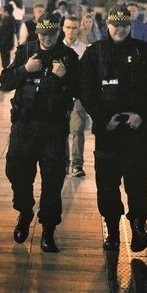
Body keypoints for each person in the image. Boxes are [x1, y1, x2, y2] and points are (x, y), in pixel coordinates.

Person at [80, 5, 147, 252]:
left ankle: (139, 226)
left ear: (131, 26)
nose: (120, 30)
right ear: (107, 25)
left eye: (124, 25)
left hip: (136, 132)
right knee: (107, 184)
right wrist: (103, 117)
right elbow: (86, 90)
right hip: (108, 133)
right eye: (115, 25)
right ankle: (112, 230)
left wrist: (143, 114)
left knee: (138, 181)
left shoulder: (144, 52)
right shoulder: (95, 53)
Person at [0, 13, 80, 253]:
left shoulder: (68, 57)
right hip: (24, 127)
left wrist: (65, 77)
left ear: (59, 33)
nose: (46, 39)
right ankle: (25, 212)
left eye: (51, 34)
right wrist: (25, 69)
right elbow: (5, 81)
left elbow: (81, 90)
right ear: (37, 33)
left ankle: (48, 229)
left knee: (53, 181)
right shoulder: (25, 52)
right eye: (42, 34)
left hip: (54, 129)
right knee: (16, 172)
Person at [62, 16, 89, 177]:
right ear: (63, 28)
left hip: (78, 96)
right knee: (62, 130)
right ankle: (64, 162)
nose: (71, 31)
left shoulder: (84, 49)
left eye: (74, 28)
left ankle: (77, 164)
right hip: (61, 95)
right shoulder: (58, 48)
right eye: (68, 27)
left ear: (78, 29)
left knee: (77, 130)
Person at [0, 4, 16, 69]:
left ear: (6, 11)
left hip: (4, 44)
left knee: (5, 62)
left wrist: (0, 44)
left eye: (3, 10)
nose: (2, 11)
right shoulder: (11, 19)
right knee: (6, 61)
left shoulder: (6, 21)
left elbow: (4, 34)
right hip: (9, 43)